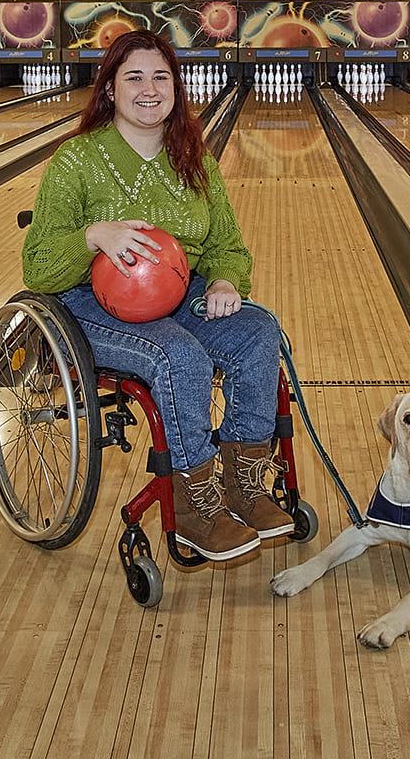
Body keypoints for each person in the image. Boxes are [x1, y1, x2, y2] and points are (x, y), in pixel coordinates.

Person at [21, 30, 291, 561]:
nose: (149, 89)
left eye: (161, 76)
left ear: (177, 87)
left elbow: (227, 247)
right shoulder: (77, 160)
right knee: (180, 356)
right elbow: (38, 264)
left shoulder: (195, 160)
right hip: (90, 306)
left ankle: (244, 484)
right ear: (110, 91)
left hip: (178, 298)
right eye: (134, 77)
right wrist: (93, 236)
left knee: (260, 332)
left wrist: (223, 281)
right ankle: (193, 507)